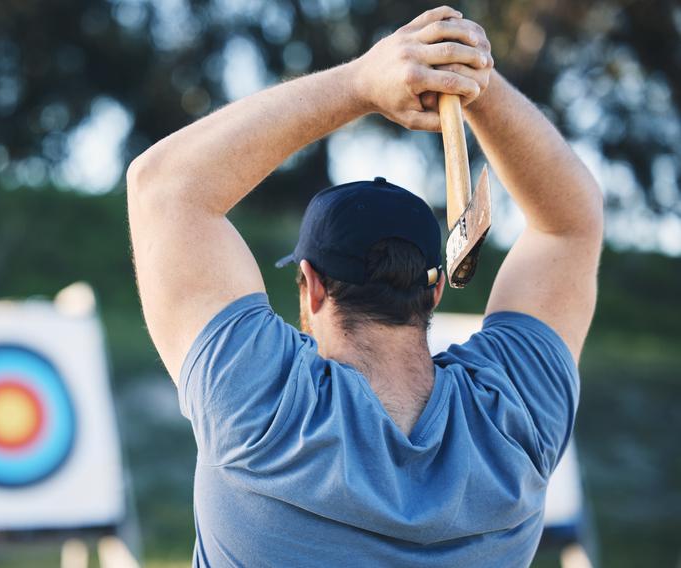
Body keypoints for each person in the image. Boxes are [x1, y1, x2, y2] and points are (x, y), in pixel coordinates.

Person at [126, 5, 603, 567]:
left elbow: (163, 187)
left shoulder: (262, 405)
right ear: (434, 293)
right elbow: (570, 225)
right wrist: (470, 76)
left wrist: (361, 83)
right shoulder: (514, 417)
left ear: (312, 287)